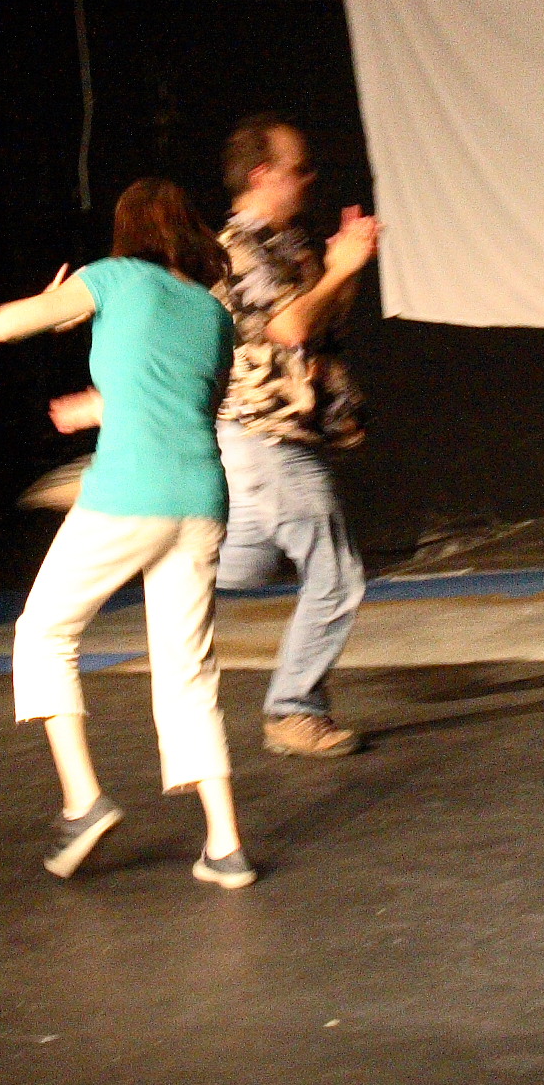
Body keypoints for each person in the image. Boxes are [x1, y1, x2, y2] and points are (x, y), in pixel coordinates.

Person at [0, 178, 253, 888]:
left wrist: (55, 304)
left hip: (130, 492)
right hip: (200, 497)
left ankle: (84, 802)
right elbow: (182, 400)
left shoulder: (112, 277)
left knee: (44, 632)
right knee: (188, 671)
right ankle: (225, 844)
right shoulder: (212, 313)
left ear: (127, 232)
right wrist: (100, 406)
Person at [213, 114, 381, 757]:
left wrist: (346, 266)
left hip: (273, 436)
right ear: (262, 175)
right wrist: (338, 269)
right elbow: (289, 328)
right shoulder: (238, 248)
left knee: (239, 567)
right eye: (298, 168)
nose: (309, 178)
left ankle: (129, 510)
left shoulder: (286, 244)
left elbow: (321, 323)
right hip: (268, 435)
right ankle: (292, 709)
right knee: (338, 577)